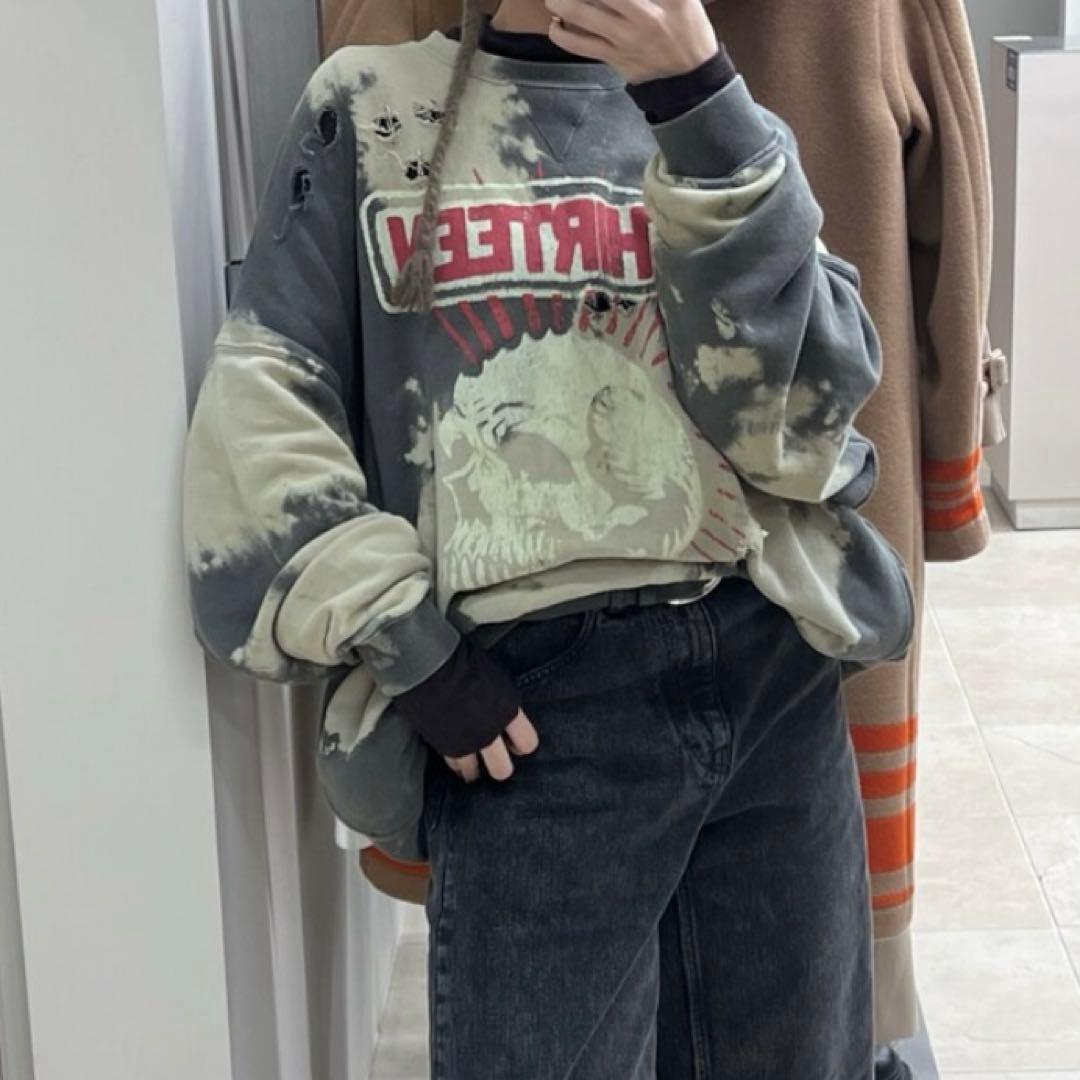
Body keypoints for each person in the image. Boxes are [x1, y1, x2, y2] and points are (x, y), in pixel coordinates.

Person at [182, 0, 916, 1074]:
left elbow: (802, 426)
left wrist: (701, 99)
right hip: (533, 715)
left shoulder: (718, 117)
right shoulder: (369, 108)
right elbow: (266, 399)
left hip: (770, 673)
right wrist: (413, 649)